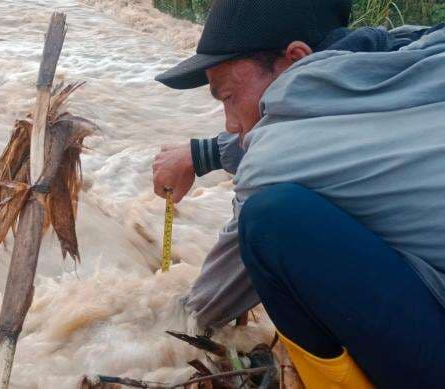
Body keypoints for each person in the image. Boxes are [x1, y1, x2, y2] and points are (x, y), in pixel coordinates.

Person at [152, 0, 445, 387]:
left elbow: (209, 305)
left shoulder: (274, 161)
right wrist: (203, 153)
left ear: (294, 59)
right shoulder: (416, 51)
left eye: (227, 97)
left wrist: (155, 327)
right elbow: (329, 126)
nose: (230, 121)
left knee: (273, 219)